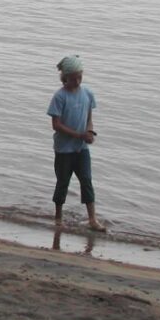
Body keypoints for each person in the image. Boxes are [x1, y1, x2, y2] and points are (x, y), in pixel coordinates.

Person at [47, 56, 106, 232]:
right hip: (64, 149)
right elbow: (56, 125)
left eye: (80, 77)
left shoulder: (87, 93)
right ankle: (58, 217)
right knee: (63, 182)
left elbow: (89, 119)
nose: (77, 81)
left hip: (81, 148)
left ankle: (92, 219)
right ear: (65, 78)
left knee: (86, 180)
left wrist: (88, 133)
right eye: (73, 78)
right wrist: (78, 135)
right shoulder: (59, 96)